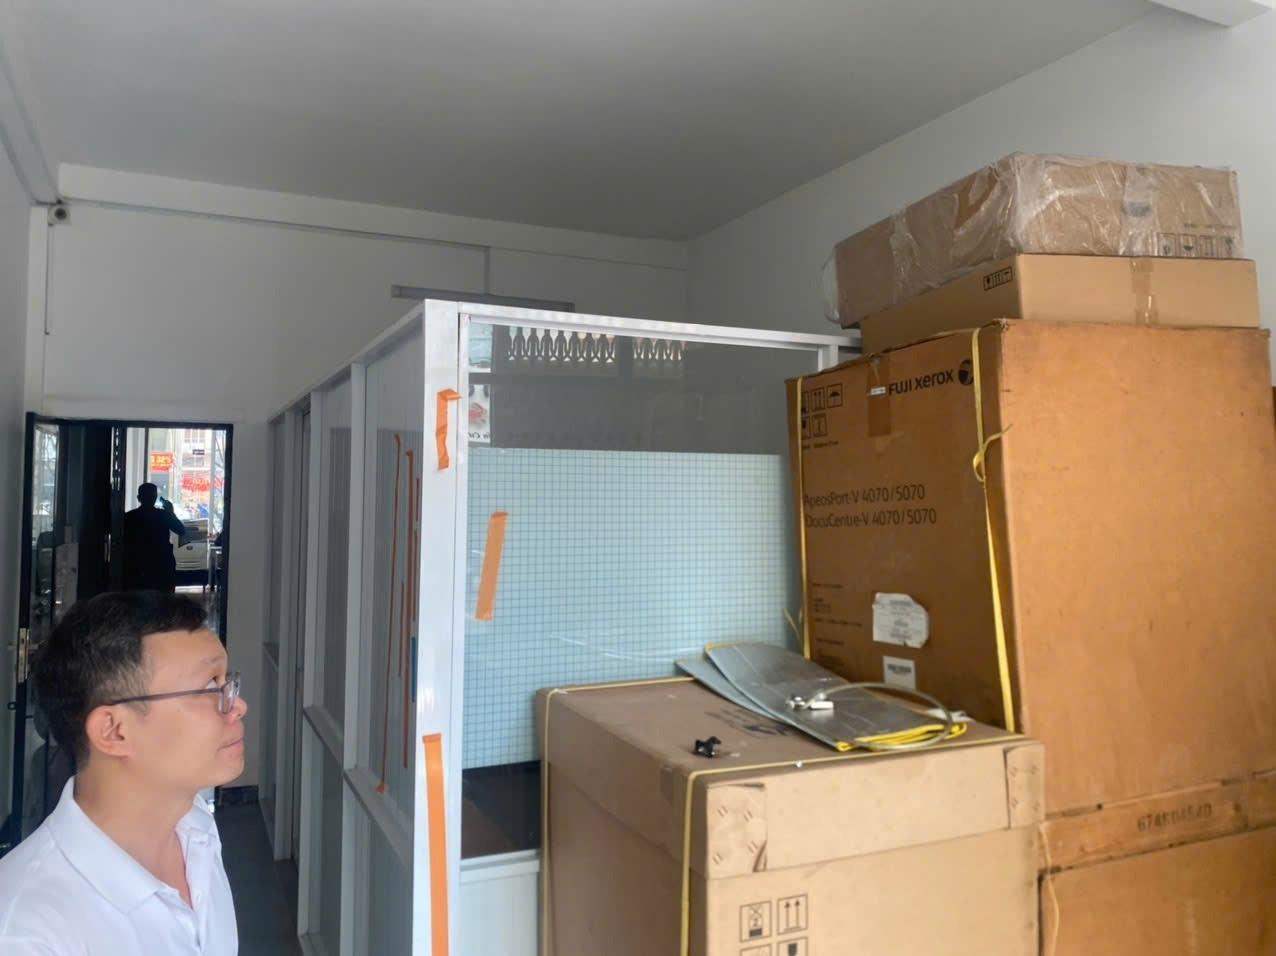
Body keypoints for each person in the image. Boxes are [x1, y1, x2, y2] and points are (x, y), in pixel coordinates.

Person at [0, 591, 246, 954]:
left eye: (226, 682)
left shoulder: (194, 830)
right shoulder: (27, 933)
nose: (238, 706)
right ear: (114, 731)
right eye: (210, 687)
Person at [123, 483, 188, 592]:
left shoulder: (129, 517)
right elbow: (181, 530)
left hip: (137, 566)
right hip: (162, 565)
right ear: (155, 498)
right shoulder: (163, 515)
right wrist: (171, 513)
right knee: (164, 599)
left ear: (139, 498)